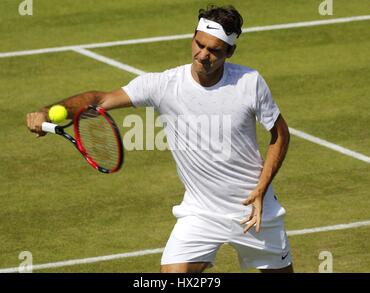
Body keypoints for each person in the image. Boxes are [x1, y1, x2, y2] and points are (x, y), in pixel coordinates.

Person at [26, 5, 293, 273]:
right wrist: (47, 112)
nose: (203, 55)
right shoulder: (164, 85)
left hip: (254, 211)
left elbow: (280, 134)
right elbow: (100, 100)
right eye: (199, 44)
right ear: (193, 37)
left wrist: (261, 188)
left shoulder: (250, 83)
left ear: (230, 52)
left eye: (214, 50)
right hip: (201, 212)